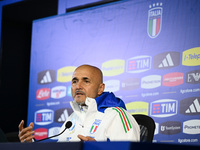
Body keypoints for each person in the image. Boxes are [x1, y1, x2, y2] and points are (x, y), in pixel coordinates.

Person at [18, 64, 140, 142]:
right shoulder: (72, 118)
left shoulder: (116, 115)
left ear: (100, 88)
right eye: (74, 81)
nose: (78, 86)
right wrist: (31, 144)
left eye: (86, 81)